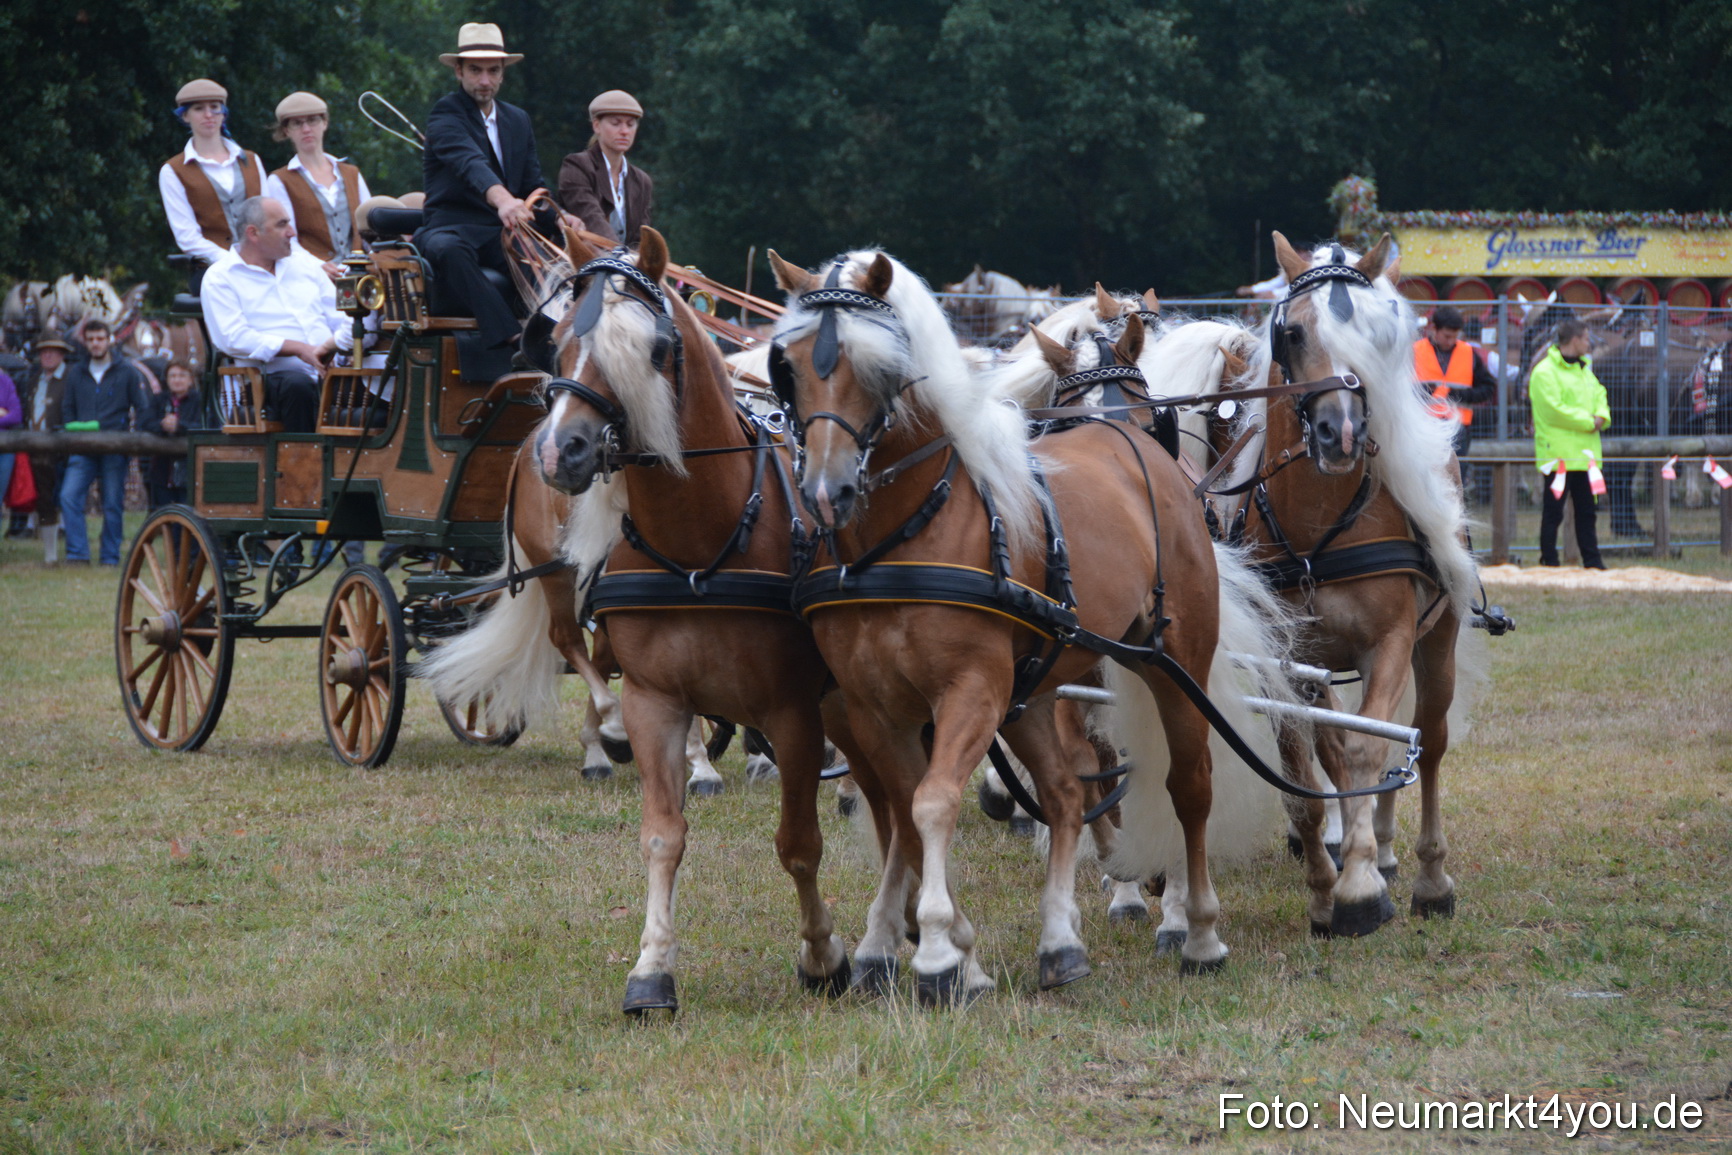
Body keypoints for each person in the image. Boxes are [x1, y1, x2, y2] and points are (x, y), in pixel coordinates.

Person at [417, 22, 570, 351]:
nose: (484, 81)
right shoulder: (445, 115)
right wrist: (503, 200)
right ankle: (513, 341)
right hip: (451, 226)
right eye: (475, 70)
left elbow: (533, 187)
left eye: (493, 71)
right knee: (448, 249)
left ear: (502, 73)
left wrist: (560, 219)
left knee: (550, 261)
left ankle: (565, 340)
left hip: (502, 234)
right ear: (458, 71)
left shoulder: (518, 120)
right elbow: (470, 163)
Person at [200, 196, 344, 433]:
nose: (292, 233)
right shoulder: (220, 277)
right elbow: (233, 338)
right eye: (281, 225)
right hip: (265, 382)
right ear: (253, 233)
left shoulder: (305, 266)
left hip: (330, 371)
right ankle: (306, 466)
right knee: (297, 385)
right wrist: (298, 348)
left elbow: (341, 317)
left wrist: (338, 347)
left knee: (381, 380)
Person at [58, 319, 149, 566]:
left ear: (110, 339)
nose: (96, 343)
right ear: (85, 342)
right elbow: (68, 409)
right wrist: (73, 436)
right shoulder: (76, 372)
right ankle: (78, 554)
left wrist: (133, 441)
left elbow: (142, 407)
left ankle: (109, 556)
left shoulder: (127, 370)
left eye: (100, 338)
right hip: (83, 446)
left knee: (112, 503)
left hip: (115, 447)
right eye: (91, 339)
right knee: (68, 495)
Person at [159, 79, 269, 268]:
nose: (208, 115)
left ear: (223, 114)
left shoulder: (251, 160)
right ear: (185, 116)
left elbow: (271, 217)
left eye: (214, 107)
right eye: (199, 109)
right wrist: (234, 262)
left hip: (265, 264)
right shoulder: (173, 171)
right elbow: (188, 237)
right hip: (213, 272)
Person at [264, 92, 374, 277]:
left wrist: (373, 260)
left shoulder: (351, 174)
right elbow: (286, 239)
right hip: (310, 279)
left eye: (312, 120)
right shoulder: (280, 180)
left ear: (325, 123)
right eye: (297, 123)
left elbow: (370, 228)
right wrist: (317, 267)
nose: (306, 129)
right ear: (286, 131)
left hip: (360, 275)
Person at [1529, 319, 1609, 569]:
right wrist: (1590, 421)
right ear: (1574, 340)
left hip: (1585, 457)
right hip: (1559, 458)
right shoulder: (1544, 372)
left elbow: (1600, 395)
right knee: (1553, 513)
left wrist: (1602, 415)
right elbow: (1553, 410)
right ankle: (1549, 561)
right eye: (1586, 338)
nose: (1589, 343)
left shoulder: (1585, 370)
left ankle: (1593, 562)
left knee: (1588, 513)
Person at [558, 90, 655, 246]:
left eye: (630, 124)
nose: (624, 131)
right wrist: (620, 257)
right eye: (616, 123)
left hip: (626, 267)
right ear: (596, 126)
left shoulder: (642, 181)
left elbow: (640, 238)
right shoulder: (576, 166)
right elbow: (591, 218)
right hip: (581, 263)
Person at [1414, 304, 1498, 472]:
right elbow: (1402, 388)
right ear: (1434, 329)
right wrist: (1424, 391)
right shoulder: (1415, 351)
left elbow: (1488, 388)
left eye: (1455, 336)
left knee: (1456, 479)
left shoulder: (1468, 353)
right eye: (1446, 336)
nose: (1451, 341)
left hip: (1458, 429)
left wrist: (1459, 395)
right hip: (1423, 426)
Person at [15, 332, 71, 556]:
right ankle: (51, 554)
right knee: (43, 499)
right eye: (43, 351)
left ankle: (75, 552)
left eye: (52, 350)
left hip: (63, 449)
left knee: (65, 498)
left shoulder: (71, 378)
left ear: (62, 353)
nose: (47, 355)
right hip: (35, 449)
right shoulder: (33, 380)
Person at [141, 359, 203, 507]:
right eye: (172, 376)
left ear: (190, 379)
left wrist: (179, 426)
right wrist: (163, 426)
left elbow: (205, 426)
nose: (177, 380)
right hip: (162, 469)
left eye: (181, 375)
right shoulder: (158, 400)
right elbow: (144, 423)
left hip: (190, 470)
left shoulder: (199, 401)